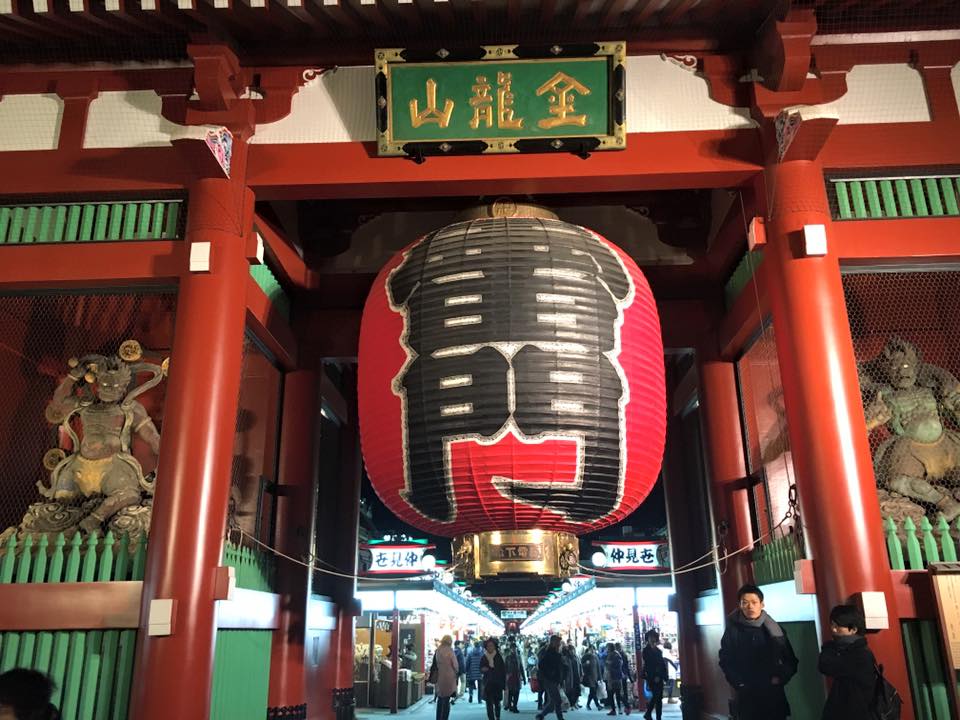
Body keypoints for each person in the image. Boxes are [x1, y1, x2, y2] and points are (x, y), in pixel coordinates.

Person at [719, 584, 798, 720]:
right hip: (747, 695)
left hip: (773, 694)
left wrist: (780, 678)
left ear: (762, 604)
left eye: (754, 602)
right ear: (740, 605)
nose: (750, 607)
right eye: (745, 603)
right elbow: (726, 660)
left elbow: (791, 660)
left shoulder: (774, 629)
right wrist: (739, 683)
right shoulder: (733, 631)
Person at [819, 605, 877, 720]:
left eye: (838, 627)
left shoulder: (859, 655)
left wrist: (829, 646)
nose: (833, 630)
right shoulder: (854, 651)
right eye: (832, 625)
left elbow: (825, 665)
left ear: (854, 629)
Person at [536, 635, 566, 720]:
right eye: (558, 642)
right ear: (554, 643)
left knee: (553, 702)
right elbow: (541, 665)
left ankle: (541, 715)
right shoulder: (549, 653)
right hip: (550, 680)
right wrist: (550, 673)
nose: (560, 644)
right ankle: (560, 718)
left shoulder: (556, 653)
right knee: (557, 700)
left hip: (554, 680)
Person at [640, 630, 667, 720]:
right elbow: (648, 665)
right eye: (650, 637)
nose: (652, 639)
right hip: (651, 676)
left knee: (659, 698)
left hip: (660, 676)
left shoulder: (658, 651)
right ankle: (648, 713)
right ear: (647, 639)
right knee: (656, 695)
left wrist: (663, 675)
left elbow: (662, 664)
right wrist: (654, 676)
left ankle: (658, 717)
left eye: (653, 637)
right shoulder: (645, 651)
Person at [434, 636, 461, 720]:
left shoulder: (438, 650)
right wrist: (457, 671)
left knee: (440, 698)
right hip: (449, 677)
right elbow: (455, 665)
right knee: (447, 699)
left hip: (439, 676)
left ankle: (438, 718)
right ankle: (444, 717)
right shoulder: (450, 651)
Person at [481, 638, 507, 720]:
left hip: (497, 683)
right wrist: (484, 669)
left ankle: (498, 716)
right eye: (488, 646)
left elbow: (503, 670)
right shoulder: (484, 657)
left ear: (495, 647)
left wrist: (504, 684)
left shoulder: (498, 657)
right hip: (488, 683)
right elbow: (481, 667)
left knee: (497, 702)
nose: (490, 647)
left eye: (491, 646)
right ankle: (491, 718)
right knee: (489, 703)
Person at [504, 641, 526, 713]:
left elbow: (521, 667)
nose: (514, 649)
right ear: (510, 649)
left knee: (517, 692)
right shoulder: (508, 657)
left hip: (517, 677)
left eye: (515, 648)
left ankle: (515, 706)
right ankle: (510, 705)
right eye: (512, 648)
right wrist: (505, 677)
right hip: (510, 677)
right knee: (510, 692)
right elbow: (505, 668)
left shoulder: (518, 657)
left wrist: (524, 678)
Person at [604, 642, 624, 716]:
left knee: (611, 694)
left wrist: (609, 666)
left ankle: (613, 710)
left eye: (607, 648)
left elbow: (608, 666)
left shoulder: (611, 655)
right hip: (618, 677)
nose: (606, 649)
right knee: (618, 694)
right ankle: (619, 709)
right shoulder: (618, 654)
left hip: (612, 677)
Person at [581, 644, 601, 710]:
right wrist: (585, 664)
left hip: (595, 676)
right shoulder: (585, 656)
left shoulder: (595, 657)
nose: (592, 650)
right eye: (591, 649)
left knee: (592, 692)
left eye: (593, 649)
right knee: (593, 690)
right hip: (589, 676)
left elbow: (598, 667)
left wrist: (600, 677)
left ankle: (588, 705)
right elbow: (581, 666)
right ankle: (597, 705)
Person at [615, 643, 633, 715]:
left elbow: (623, 666)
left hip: (620, 675)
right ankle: (626, 705)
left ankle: (626, 706)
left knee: (618, 691)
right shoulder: (624, 655)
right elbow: (627, 667)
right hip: (624, 675)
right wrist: (629, 677)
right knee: (623, 691)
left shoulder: (618, 656)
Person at [563, 643, 582, 709]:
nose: (572, 651)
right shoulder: (566, 658)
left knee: (577, 690)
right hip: (570, 677)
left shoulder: (576, 657)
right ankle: (571, 704)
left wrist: (581, 674)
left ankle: (573, 703)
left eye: (573, 650)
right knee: (570, 691)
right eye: (571, 650)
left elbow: (580, 666)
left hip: (577, 676)